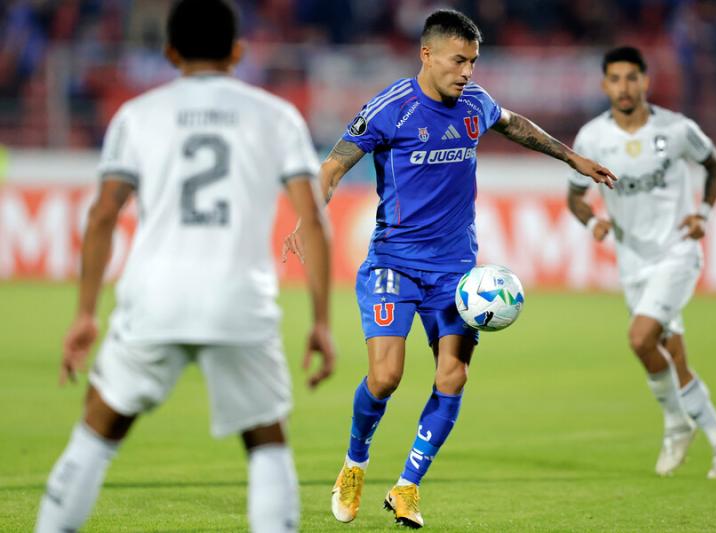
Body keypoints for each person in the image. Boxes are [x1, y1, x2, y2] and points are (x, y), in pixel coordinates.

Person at [283, 9, 616, 529]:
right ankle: (355, 463)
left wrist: (571, 158)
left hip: (455, 272)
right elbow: (333, 164)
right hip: (393, 262)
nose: (467, 72)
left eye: (474, 62)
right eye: (458, 60)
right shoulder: (390, 108)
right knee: (386, 376)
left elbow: (515, 125)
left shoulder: (475, 105)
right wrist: (311, 214)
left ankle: (407, 487)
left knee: (452, 375)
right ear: (427, 55)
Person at [34, 1, 334, 532]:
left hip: (156, 295)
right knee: (267, 440)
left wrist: (84, 313)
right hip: (240, 299)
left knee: (98, 429)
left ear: (170, 52)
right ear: (238, 51)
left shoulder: (138, 114)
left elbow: (103, 215)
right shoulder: (276, 116)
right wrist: (321, 322)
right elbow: (312, 219)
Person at [566, 46, 716, 479]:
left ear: (646, 81)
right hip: (633, 262)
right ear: (605, 84)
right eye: (615, 78)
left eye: (632, 78)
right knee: (672, 354)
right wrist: (594, 225)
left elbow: (713, 164)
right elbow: (575, 197)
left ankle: (675, 424)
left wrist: (702, 215)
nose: (624, 87)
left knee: (641, 338)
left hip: (678, 252)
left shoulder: (677, 129)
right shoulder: (592, 138)